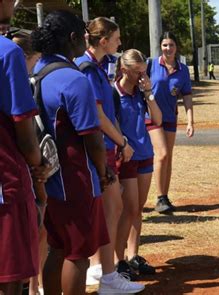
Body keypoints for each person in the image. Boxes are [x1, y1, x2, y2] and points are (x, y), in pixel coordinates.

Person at [31, 10, 114, 294]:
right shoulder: (74, 79)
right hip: (76, 177)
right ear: (72, 38)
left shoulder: (38, 72)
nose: (87, 38)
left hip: (50, 177)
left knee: (57, 246)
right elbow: (91, 138)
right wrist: (102, 172)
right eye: (84, 33)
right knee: (77, 254)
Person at [75, 17, 144, 294]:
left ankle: (103, 270)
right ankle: (106, 274)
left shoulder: (99, 67)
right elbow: (98, 115)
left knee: (111, 209)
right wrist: (122, 142)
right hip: (98, 148)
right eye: (116, 38)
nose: (119, 43)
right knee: (110, 209)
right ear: (103, 41)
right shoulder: (89, 69)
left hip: (105, 146)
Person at [0, 1, 50, 294]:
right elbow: (24, 128)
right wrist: (39, 164)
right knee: (10, 278)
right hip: (6, 181)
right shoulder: (8, 52)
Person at [114, 49, 162, 277]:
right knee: (128, 209)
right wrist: (122, 144)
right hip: (126, 157)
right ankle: (118, 259)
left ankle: (133, 256)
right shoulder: (114, 93)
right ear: (124, 70)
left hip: (145, 153)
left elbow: (158, 119)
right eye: (137, 72)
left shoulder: (141, 92)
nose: (141, 76)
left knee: (137, 209)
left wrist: (149, 92)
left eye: (144, 71)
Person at [11, 30, 47, 295]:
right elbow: (26, 129)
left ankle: (34, 286)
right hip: (22, 167)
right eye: (35, 60)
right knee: (35, 227)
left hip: (23, 165)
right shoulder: (22, 80)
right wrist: (39, 163)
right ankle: (31, 286)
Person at [147, 32, 194, 214]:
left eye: (171, 45)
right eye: (165, 45)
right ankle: (159, 198)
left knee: (168, 157)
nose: (168, 48)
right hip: (151, 116)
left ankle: (164, 196)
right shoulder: (151, 64)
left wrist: (190, 121)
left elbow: (187, 97)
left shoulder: (182, 70)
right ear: (161, 47)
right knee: (162, 154)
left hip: (170, 117)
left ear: (176, 47)